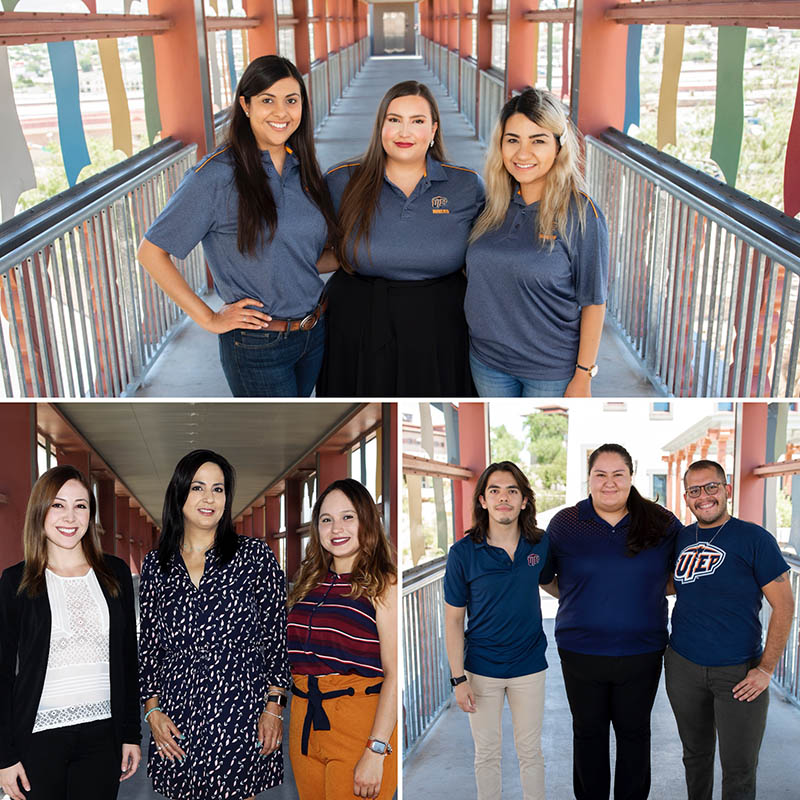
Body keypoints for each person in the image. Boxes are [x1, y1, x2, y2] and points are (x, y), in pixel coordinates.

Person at [137, 55, 338, 397]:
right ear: (245, 105)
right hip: (258, 345)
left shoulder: (302, 169)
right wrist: (209, 318)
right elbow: (151, 253)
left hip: (313, 332)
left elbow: (302, 256)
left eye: (291, 100)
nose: (281, 112)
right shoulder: (215, 177)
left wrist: (367, 254)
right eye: (267, 100)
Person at [138, 450, 290, 799]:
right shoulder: (156, 565)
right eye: (197, 488)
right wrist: (153, 712)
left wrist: (274, 708)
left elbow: (276, 639)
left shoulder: (254, 556)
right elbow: (148, 647)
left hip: (240, 710)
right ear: (179, 495)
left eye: (218, 489)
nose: (209, 498)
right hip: (176, 715)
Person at [318, 80, 485, 396]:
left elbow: (488, 258)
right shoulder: (342, 180)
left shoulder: (466, 185)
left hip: (442, 326)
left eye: (417, 121)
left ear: (434, 129)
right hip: (358, 323)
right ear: (380, 126)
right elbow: (303, 245)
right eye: (394, 120)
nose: (404, 133)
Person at [542, 443, 680, 800]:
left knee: (635, 736)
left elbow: (682, 573)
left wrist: (646, 590)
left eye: (618, 474)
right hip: (580, 652)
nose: (609, 483)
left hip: (642, 652)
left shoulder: (661, 521)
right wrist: (580, 596)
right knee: (588, 736)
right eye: (600, 474)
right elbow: (546, 577)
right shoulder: (565, 523)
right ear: (588, 479)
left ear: (631, 477)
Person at [0, 465, 141, 800]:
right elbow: (2, 673)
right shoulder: (15, 581)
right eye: (58, 505)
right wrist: (4, 756)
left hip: (102, 737)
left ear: (90, 515)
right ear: (40, 511)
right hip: (37, 737)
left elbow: (127, 659)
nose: (70, 516)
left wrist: (130, 733)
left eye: (81, 505)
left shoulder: (115, 573)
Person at [465, 88, 609, 397]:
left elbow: (594, 302)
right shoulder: (490, 205)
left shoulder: (583, 215)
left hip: (550, 372)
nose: (522, 154)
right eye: (513, 140)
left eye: (538, 141)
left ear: (559, 146)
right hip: (486, 361)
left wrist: (583, 376)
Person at [666, 459, 794, 800]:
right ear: (686, 497)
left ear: (727, 490)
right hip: (683, 665)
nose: (703, 496)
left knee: (738, 768)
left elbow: (785, 606)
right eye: (694, 490)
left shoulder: (755, 539)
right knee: (695, 757)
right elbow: (666, 583)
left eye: (711, 487)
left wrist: (766, 669)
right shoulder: (681, 538)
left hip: (739, 672)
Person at [443, 461, 550, 800]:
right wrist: (458, 679)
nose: (503, 498)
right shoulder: (462, 553)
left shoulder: (540, 544)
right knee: (487, 754)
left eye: (512, 491)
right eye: (495, 491)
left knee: (531, 753)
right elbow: (453, 621)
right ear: (483, 501)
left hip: (529, 666)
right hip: (481, 670)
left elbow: (556, 583)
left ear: (524, 501)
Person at [287, 479, 397, 799]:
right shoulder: (309, 583)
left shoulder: (384, 583)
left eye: (348, 517)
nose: (337, 527)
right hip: (305, 723)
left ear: (366, 520)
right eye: (326, 519)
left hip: (358, 726)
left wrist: (376, 750)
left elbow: (394, 672)